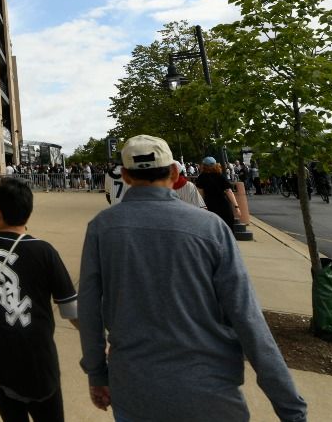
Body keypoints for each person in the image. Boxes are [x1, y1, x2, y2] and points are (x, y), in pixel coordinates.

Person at [78, 135, 307, 421]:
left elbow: (88, 309)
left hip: (136, 389)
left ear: (124, 175)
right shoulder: (210, 227)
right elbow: (246, 317)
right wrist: (289, 406)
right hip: (211, 391)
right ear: (174, 173)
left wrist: (97, 373)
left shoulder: (102, 227)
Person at [0, 177, 78, 421]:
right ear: (28, 212)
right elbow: (71, 309)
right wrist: (101, 341)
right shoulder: (45, 251)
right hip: (38, 364)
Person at [195, 156, 241, 228]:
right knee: (227, 229)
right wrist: (236, 207)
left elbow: (200, 194)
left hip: (210, 206)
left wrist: (202, 207)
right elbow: (229, 192)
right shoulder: (221, 176)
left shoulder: (201, 177)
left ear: (204, 166)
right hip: (224, 205)